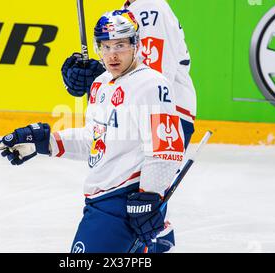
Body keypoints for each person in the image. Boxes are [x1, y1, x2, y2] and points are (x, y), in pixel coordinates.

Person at [0, 9, 194, 253]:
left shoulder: (151, 84)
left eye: (120, 45)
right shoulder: (101, 84)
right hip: (99, 201)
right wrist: (45, 141)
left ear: (135, 44)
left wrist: (149, 199)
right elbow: (95, 141)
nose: (112, 55)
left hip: (123, 202)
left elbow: (164, 150)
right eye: (105, 47)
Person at [61, 0, 197, 252]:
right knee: (140, 214)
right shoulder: (135, 8)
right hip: (146, 118)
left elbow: (151, 81)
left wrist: (98, 78)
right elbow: (125, 75)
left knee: (139, 207)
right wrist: (94, 76)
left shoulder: (150, 8)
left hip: (161, 120)